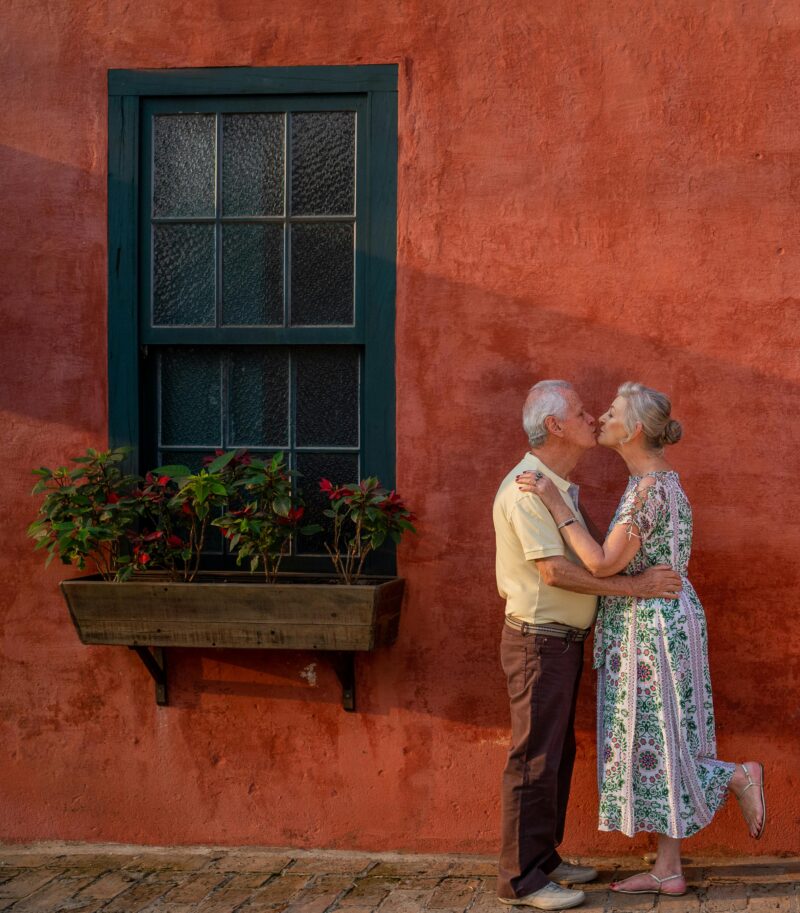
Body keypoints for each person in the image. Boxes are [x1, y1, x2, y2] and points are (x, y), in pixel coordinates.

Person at [517, 381, 765, 899]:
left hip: (653, 632)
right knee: (657, 742)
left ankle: (737, 777)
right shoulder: (651, 484)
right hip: (656, 623)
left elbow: (603, 562)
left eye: (610, 412)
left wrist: (554, 500)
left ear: (632, 430)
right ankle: (668, 867)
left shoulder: (651, 489)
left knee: (659, 741)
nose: (600, 417)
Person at [493, 380, 684, 911]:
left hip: (561, 642)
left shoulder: (557, 485)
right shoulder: (531, 488)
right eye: (580, 412)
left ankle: (544, 858)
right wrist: (635, 588)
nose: (591, 418)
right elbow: (555, 571)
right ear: (555, 426)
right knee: (533, 759)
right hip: (538, 641)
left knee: (554, 755)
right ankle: (521, 880)